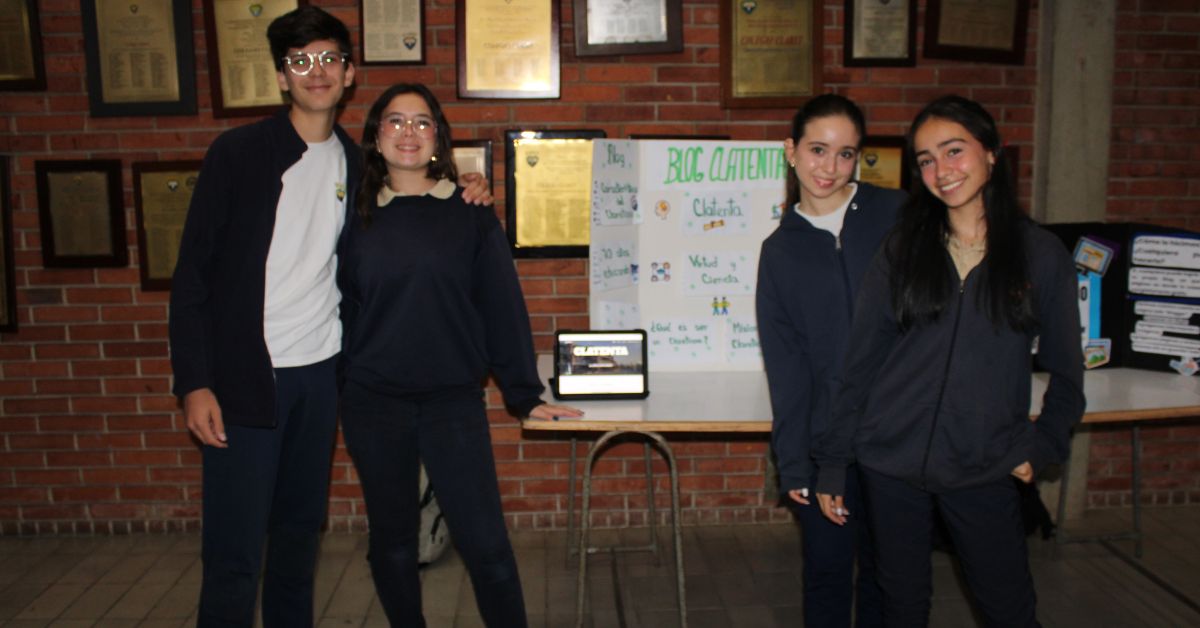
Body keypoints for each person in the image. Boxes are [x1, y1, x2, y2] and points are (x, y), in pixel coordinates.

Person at [168, 9, 489, 626]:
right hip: (242, 380)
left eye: (329, 60)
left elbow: (421, 188)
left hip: (319, 378)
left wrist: (470, 185)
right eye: (300, 61)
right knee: (235, 554)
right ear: (281, 77)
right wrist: (195, 381)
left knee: (297, 541)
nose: (316, 72)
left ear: (348, 74)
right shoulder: (238, 154)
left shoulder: (357, 163)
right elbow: (193, 278)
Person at [813, 95, 1086, 627]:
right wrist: (832, 462)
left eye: (954, 150)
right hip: (890, 462)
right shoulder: (903, 248)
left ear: (991, 152)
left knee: (1009, 609)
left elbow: (1068, 373)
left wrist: (1043, 445)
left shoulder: (1040, 255)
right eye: (926, 160)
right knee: (901, 606)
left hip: (984, 462)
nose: (942, 170)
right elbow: (860, 363)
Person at [336, 83, 581, 627]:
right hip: (374, 404)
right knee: (394, 544)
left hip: (452, 402)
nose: (408, 132)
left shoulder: (470, 212)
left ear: (438, 138)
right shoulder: (352, 216)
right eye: (395, 121)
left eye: (422, 122)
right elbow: (338, 308)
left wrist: (524, 395)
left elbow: (501, 306)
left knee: (487, 546)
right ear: (375, 136)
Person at [756, 94, 902, 627]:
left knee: (891, 578)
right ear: (790, 150)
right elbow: (787, 368)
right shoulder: (780, 251)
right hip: (824, 446)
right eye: (818, 149)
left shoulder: (897, 215)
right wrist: (794, 462)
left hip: (898, 438)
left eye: (846, 154)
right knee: (827, 574)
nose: (830, 167)